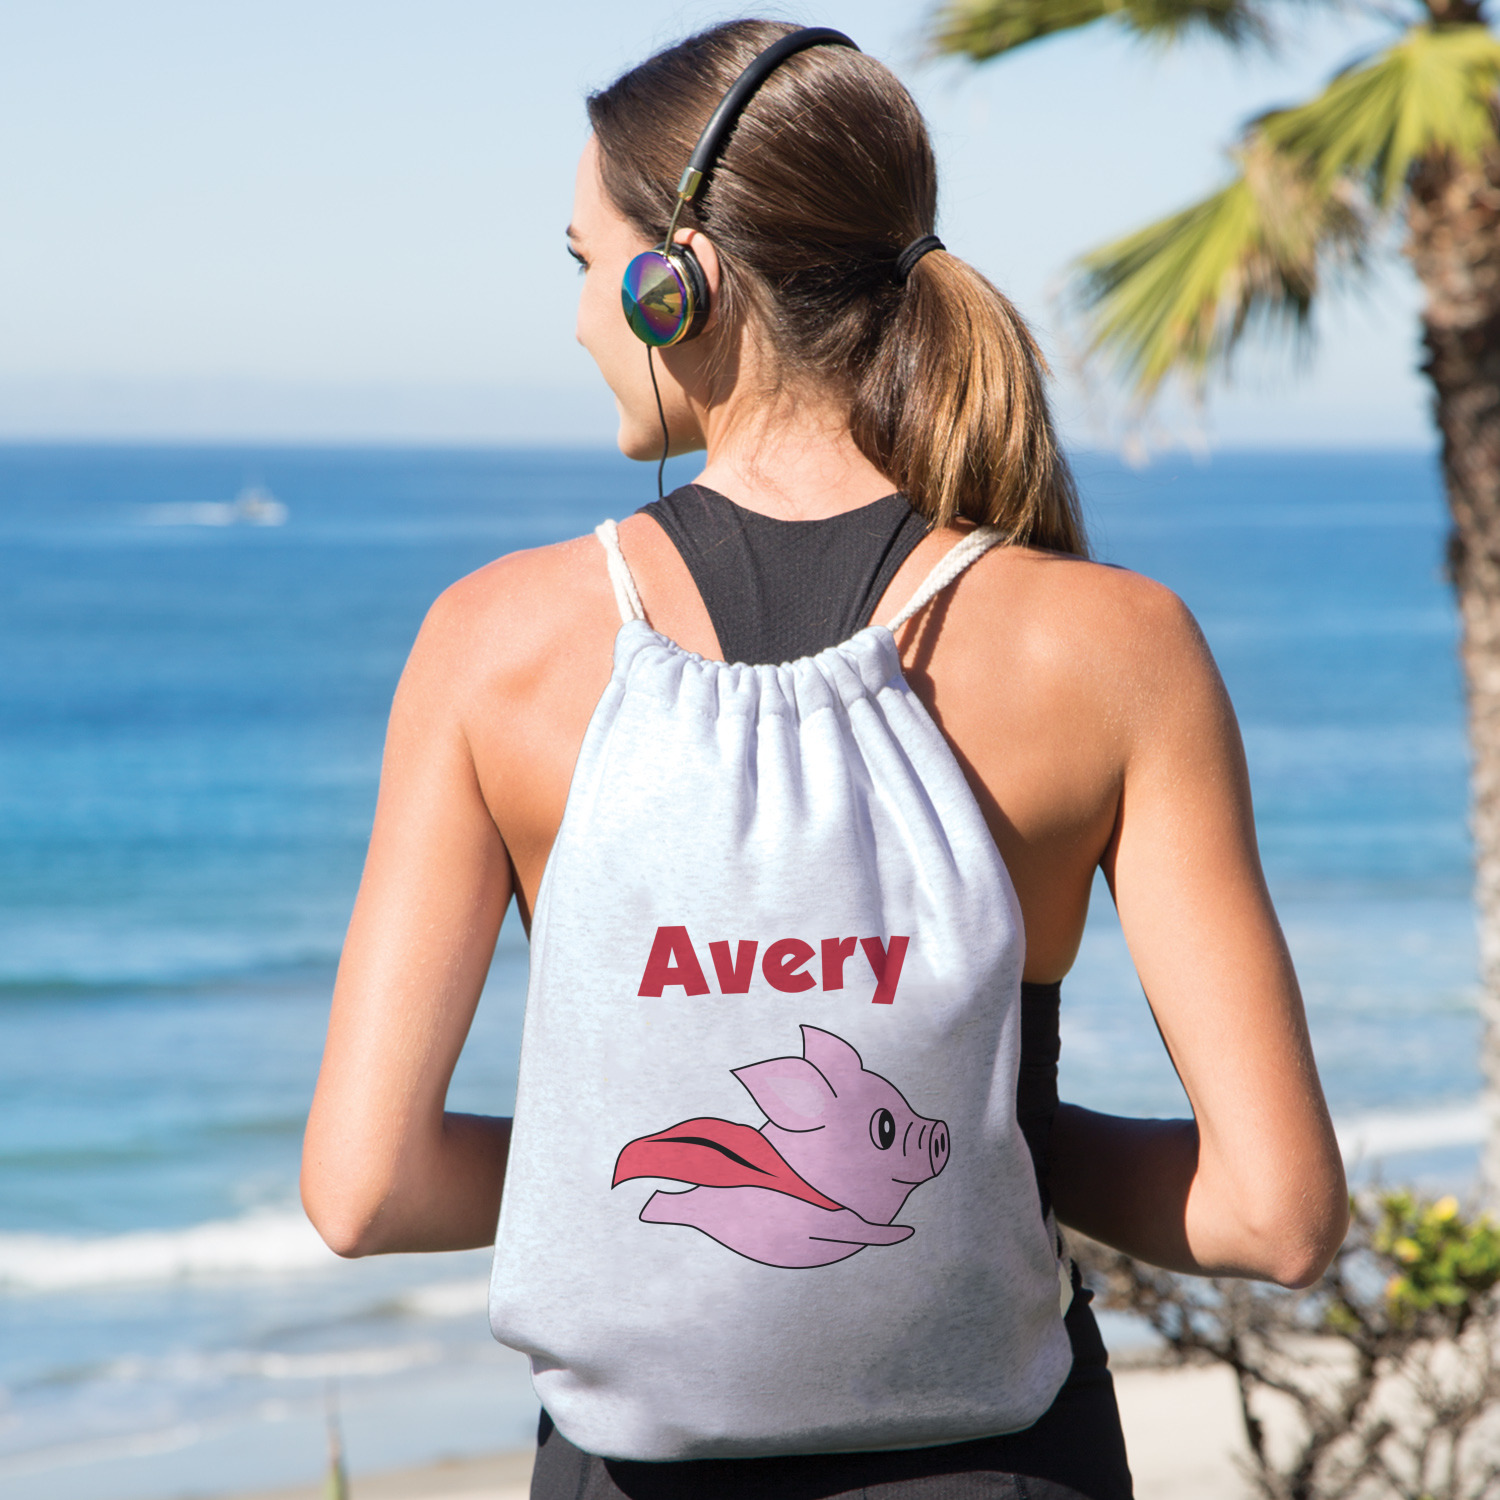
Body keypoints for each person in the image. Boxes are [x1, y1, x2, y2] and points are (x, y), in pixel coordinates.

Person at [302, 20, 1348, 1500]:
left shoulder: (494, 645)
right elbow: (1275, 1214)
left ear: (677, 284)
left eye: (587, 265)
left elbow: (365, 1190)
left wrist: (658, 1151)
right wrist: (978, 1144)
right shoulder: (1115, 648)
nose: (582, 319)